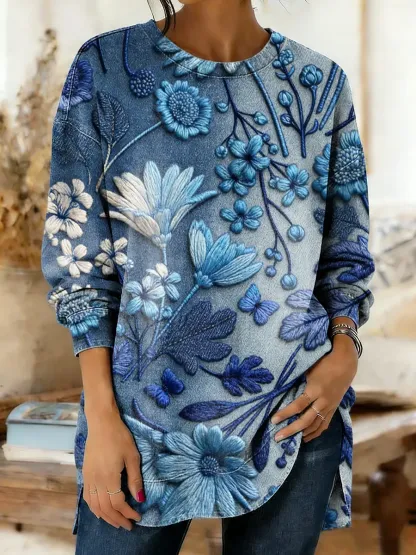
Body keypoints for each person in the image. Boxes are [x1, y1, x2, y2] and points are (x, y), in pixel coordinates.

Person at [41, 0, 375, 553]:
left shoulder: (321, 83)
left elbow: (347, 252)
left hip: (295, 416)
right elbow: (78, 259)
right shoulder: (107, 66)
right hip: (139, 421)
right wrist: (101, 417)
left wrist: (345, 353)